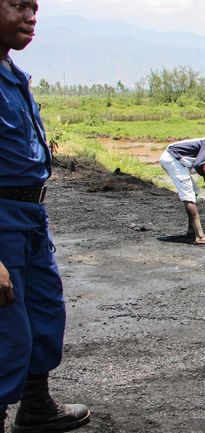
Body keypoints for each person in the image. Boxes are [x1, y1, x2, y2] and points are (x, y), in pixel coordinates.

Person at [0, 1, 91, 432]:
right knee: (7, 333)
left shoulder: (13, 75)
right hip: (1, 222)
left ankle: (35, 405)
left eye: (34, 7)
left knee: (44, 314)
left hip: (30, 216)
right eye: (18, 5)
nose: (31, 16)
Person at [159, 134, 205, 245]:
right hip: (173, 160)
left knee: (194, 192)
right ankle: (200, 236)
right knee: (189, 196)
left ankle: (192, 229)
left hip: (176, 159)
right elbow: (199, 164)